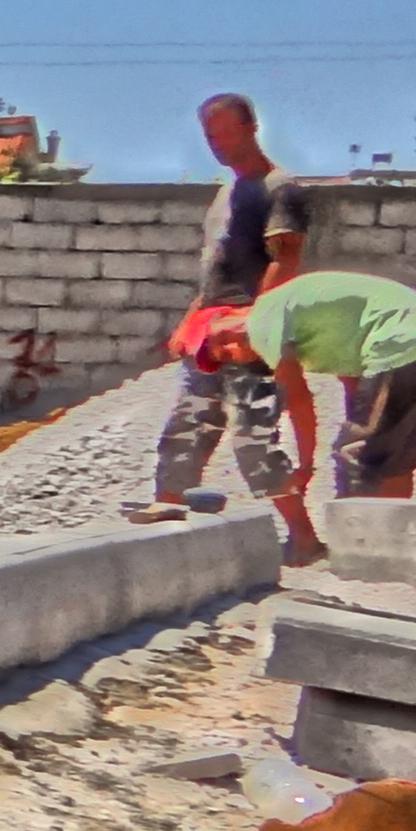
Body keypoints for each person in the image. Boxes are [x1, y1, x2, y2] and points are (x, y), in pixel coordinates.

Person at [171, 270, 416, 573]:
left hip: (402, 345)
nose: (232, 350)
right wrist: (358, 424)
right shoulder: (302, 317)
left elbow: (299, 402)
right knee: (397, 458)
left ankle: (361, 560)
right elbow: (354, 381)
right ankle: (397, 554)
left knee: (356, 458)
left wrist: (305, 467)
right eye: (225, 357)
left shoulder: (262, 319)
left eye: (222, 339)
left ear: (229, 314)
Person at [130, 92, 305, 522]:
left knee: (253, 436)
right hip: (211, 326)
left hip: (248, 330)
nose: (220, 143)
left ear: (252, 128)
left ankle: (302, 536)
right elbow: (217, 268)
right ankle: (169, 502)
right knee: (188, 420)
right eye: (212, 136)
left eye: (228, 132)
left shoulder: (279, 188)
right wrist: (191, 320)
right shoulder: (227, 195)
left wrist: (254, 321)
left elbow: (285, 260)